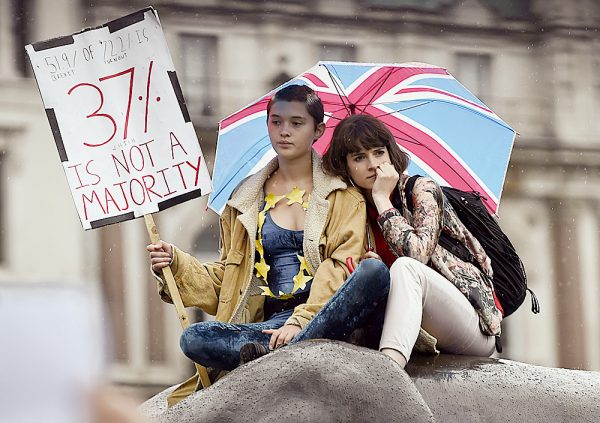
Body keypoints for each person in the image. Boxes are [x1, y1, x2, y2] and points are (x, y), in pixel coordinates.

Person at [147, 86, 389, 385]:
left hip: (327, 317)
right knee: (194, 338)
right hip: (265, 328)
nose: (284, 131)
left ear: (318, 130)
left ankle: (291, 346)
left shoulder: (344, 196)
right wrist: (175, 263)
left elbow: (340, 267)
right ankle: (278, 349)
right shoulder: (242, 201)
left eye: (296, 123)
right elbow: (229, 281)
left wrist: (301, 321)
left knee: (374, 272)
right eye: (276, 122)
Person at [321, 114, 502, 369]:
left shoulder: (422, 190)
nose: (373, 164)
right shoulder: (353, 211)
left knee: (406, 269)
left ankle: (388, 370)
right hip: (415, 329)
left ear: (391, 154)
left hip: (470, 322)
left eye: (378, 152)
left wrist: (383, 200)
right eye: (359, 158)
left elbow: (417, 256)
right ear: (345, 167)